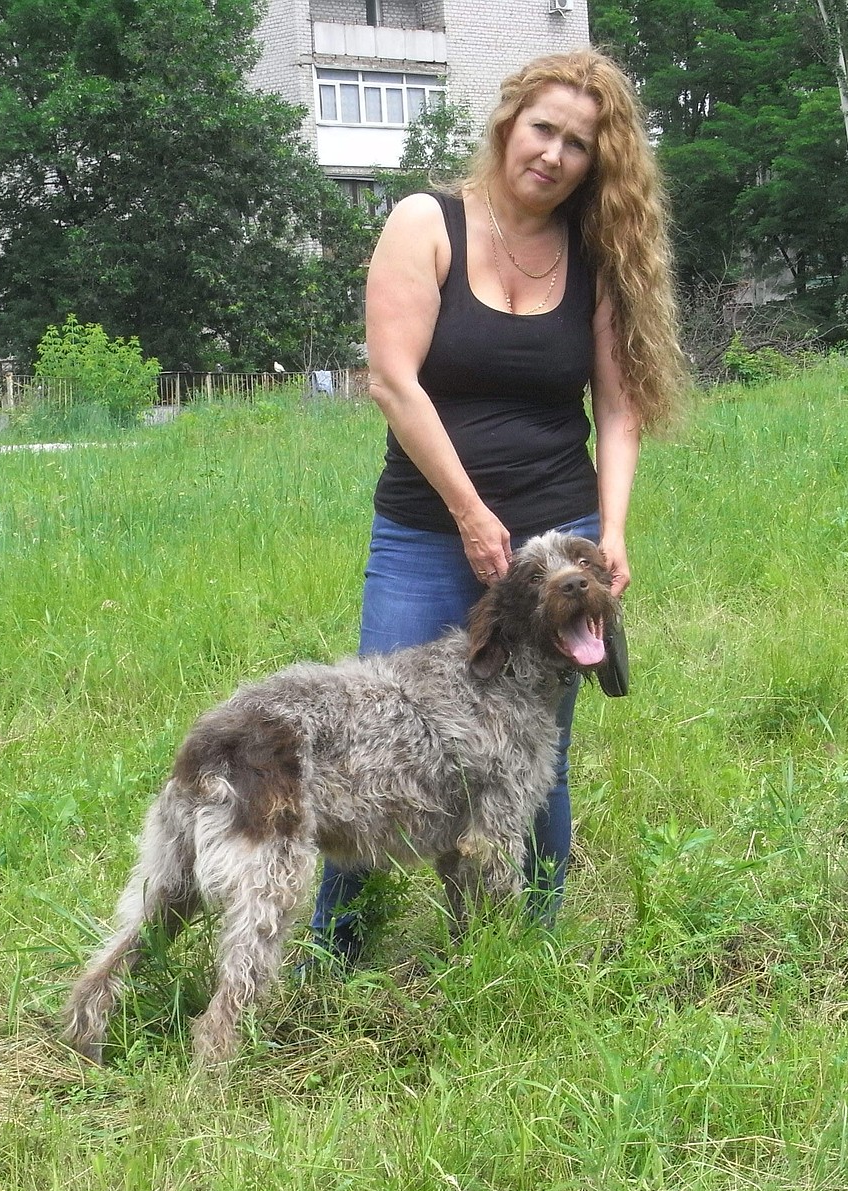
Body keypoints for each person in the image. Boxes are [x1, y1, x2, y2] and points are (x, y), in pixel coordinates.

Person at [310, 47, 686, 964]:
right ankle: (336, 948)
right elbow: (394, 382)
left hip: (561, 537)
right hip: (428, 531)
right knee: (376, 736)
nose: (555, 154)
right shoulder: (425, 221)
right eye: (543, 129)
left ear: (599, 164)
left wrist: (615, 532)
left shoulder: (594, 258)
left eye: (580, 144)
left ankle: (530, 948)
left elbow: (621, 406)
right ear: (508, 124)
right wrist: (476, 517)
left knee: (533, 747)